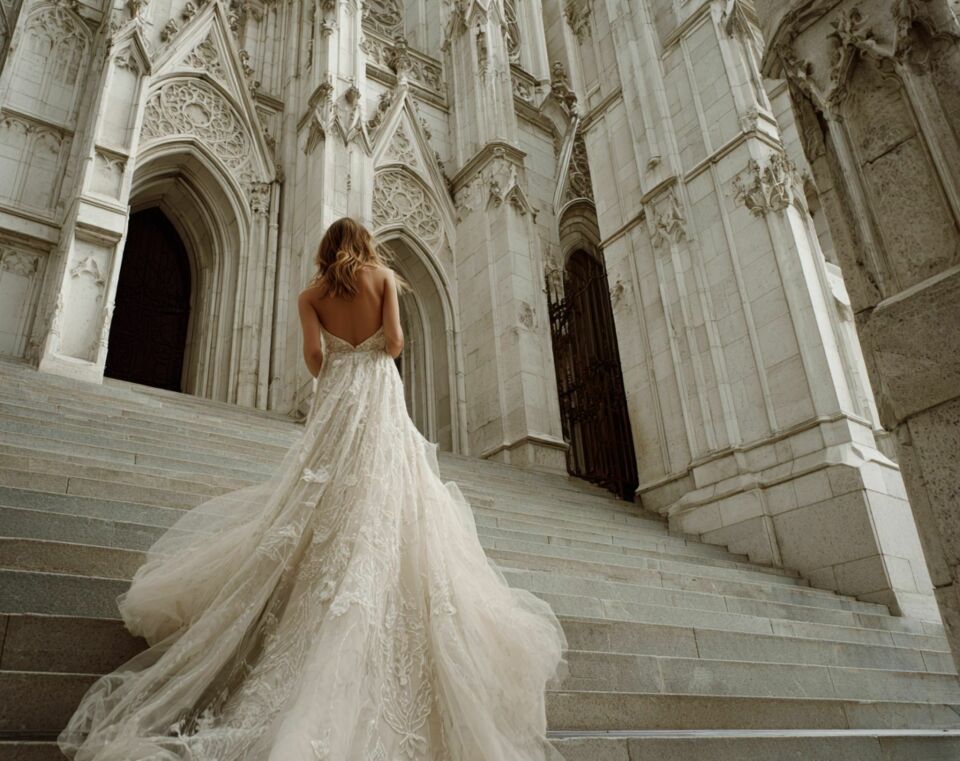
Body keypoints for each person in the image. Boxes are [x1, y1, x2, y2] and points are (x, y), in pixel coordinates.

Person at [58, 217, 568, 761]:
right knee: (384, 485)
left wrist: (341, 355)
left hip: (339, 393)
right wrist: (372, 345)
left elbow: (314, 360)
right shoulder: (383, 280)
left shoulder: (311, 296)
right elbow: (396, 344)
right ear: (364, 244)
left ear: (327, 249)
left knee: (327, 486)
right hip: (377, 391)